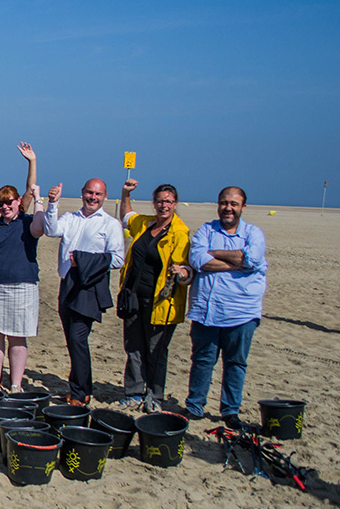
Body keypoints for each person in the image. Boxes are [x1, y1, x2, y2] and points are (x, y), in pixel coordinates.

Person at [184, 186, 268, 429]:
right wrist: (236, 263)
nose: (228, 208)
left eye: (233, 203)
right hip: (207, 312)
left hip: (241, 313)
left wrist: (215, 253)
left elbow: (251, 259)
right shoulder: (206, 230)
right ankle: (195, 406)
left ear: (243, 207)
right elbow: (198, 260)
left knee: (235, 363)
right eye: (224, 203)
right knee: (202, 360)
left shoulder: (254, 234)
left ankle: (230, 411)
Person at [44, 179, 126, 406]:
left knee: (78, 339)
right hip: (67, 284)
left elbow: (118, 258)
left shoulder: (110, 224)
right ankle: (81, 389)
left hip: (89, 288)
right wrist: (53, 203)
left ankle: (80, 393)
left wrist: (83, 260)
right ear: (82, 193)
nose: (93, 197)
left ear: (105, 197)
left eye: (98, 194)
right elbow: (51, 231)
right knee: (72, 341)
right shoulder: (71, 218)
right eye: (90, 192)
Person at [115, 179, 193, 414]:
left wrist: (182, 273)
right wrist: (125, 192)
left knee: (156, 349)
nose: (163, 206)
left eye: (168, 202)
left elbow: (185, 269)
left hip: (161, 301)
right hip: (134, 296)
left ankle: (154, 395)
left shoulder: (180, 233)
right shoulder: (145, 224)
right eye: (159, 201)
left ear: (175, 204)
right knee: (134, 346)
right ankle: (134, 393)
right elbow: (126, 215)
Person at [0, 185, 46, 391]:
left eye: (9, 202)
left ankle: (16, 383)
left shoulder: (28, 222)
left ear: (17, 202)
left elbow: (40, 228)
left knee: (17, 336)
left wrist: (39, 198)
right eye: (1, 204)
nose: (5, 207)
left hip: (23, 288)